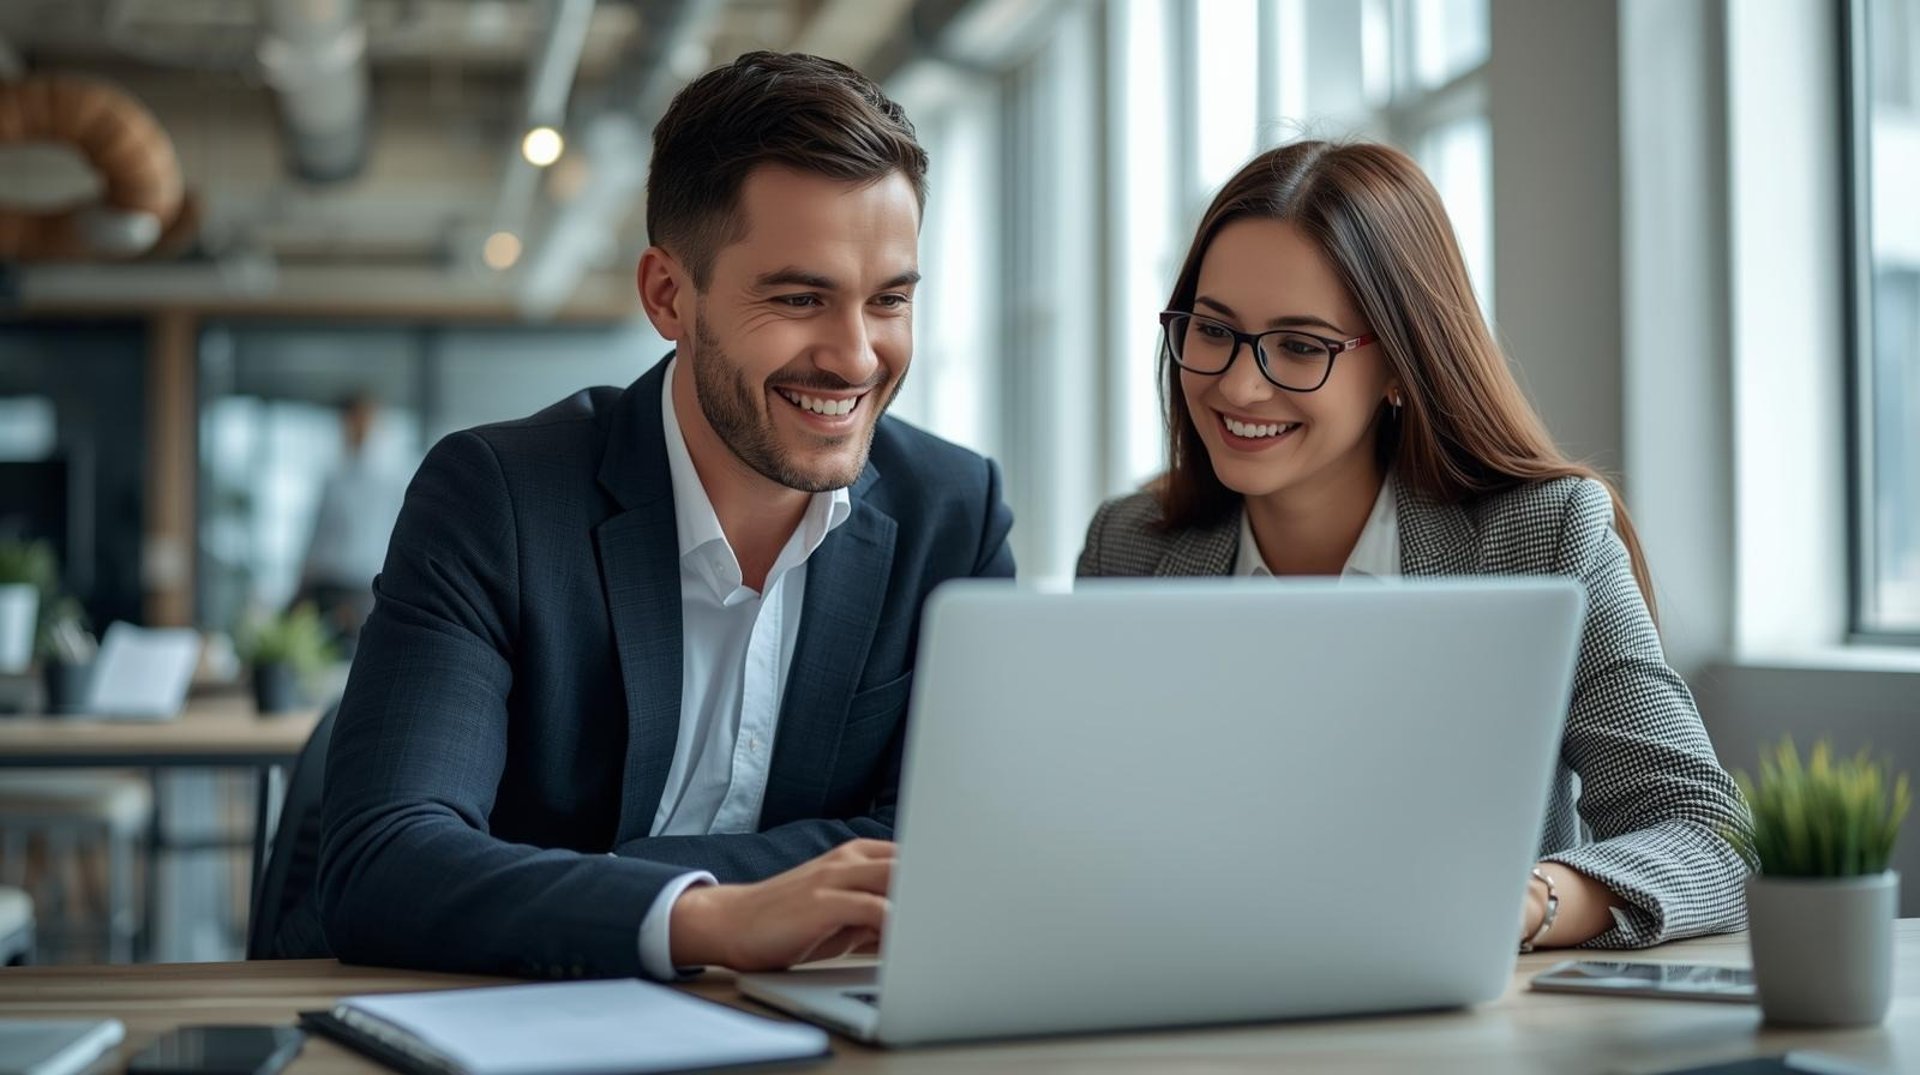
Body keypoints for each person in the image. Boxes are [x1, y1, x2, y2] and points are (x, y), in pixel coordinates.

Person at [313, 52, 1014, 979]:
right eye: (800, 298)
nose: (855, 357)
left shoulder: (953, 515)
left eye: (888, 301)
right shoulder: (499, 498)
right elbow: (386, 860)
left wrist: (583, 877)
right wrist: (707, 921)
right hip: (511, 1015)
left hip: (809, 1018)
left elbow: (954, 848)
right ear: (668, 296)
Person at [1076, 141, 1751, 950]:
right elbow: (1089, 837)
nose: (1239, 384)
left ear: (1398, 362)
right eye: (1213, 329)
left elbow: (1709, 834)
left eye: (1300, 346)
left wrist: (1523, 901)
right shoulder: (1129, 549)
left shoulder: (1543, 535)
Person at [297, 392, 404, 653]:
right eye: (350, 420)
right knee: (318, 659)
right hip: (324, 585)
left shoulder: (391, 482)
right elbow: (317, 535)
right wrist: (302, 585)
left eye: (362, 420)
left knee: (358, 657)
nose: (354, 427)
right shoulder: (334, 479)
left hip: (364, 589)